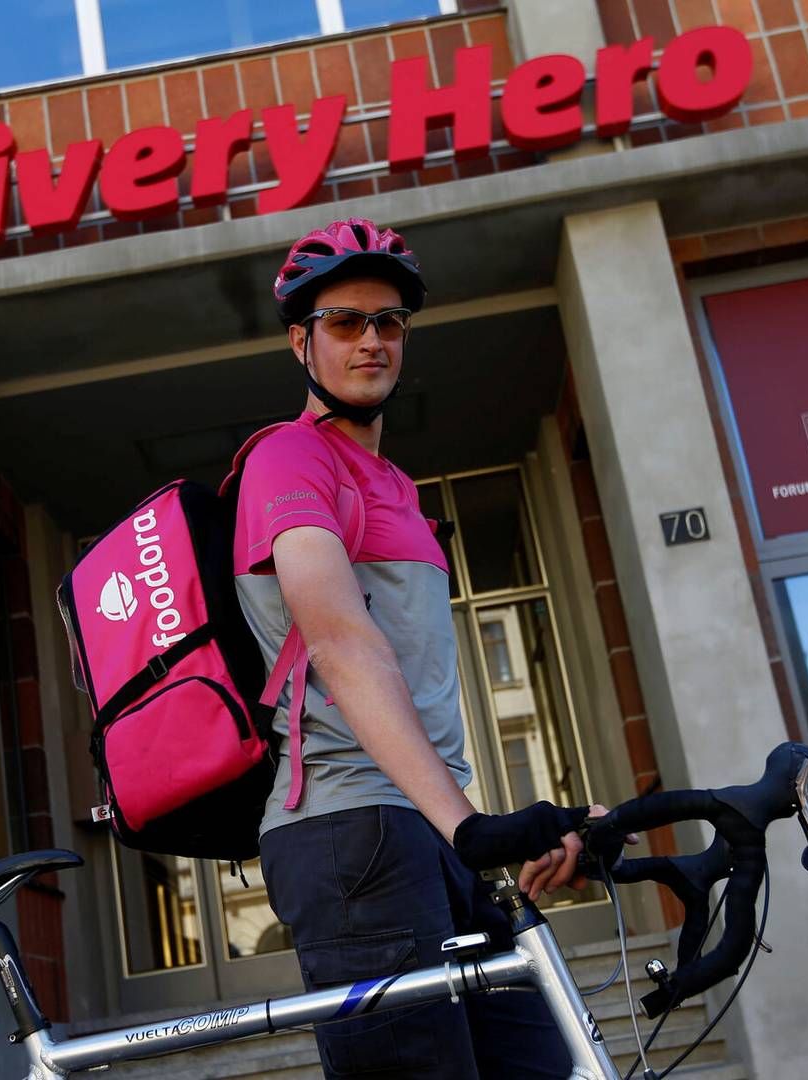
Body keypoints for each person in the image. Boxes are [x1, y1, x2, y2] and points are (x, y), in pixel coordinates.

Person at [233, 218, 632, 1078]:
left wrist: (515, 826)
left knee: (542, 1064)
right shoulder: (289, 460)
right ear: (302, 340)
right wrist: (470, 824)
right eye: (346, 321)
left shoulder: (397, 486)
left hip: (422, 829)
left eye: (389, 322)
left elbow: (410, 678)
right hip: (351, 837)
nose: (372, 339)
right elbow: (343, 645)